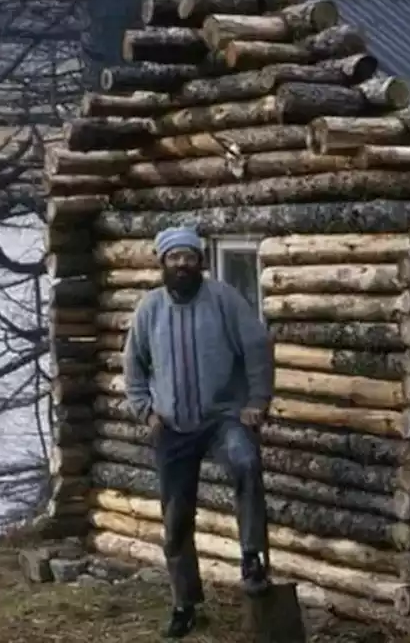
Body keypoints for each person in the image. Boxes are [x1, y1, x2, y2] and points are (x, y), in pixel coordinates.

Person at [122, 226, 275, 638]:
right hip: (172, 426)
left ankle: (252, 557)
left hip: (223, 419)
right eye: (174, 258)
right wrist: (146, 413)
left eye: (189, 257)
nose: (183, 264)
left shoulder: (225, 300)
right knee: (175, 519)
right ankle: (185, 603)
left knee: (246, 462)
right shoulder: (149, 310)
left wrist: (256, 403)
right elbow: (133, 367)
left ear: (200, 261)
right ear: (163, 263)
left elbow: (257, 348)